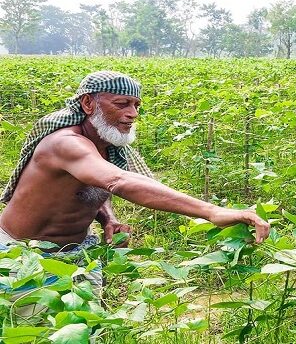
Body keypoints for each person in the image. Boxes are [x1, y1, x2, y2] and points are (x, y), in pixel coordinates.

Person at [0, 71, 270, 291]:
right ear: (88, 104)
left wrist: (107, 218)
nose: (133, 114)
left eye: (136, 105)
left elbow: (91, 185)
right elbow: (117, 180)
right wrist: (212, 211)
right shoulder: (65, 143)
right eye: (121, 104)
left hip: (78, 252)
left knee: (84, 330)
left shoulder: (108, 145)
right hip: (25, 256)